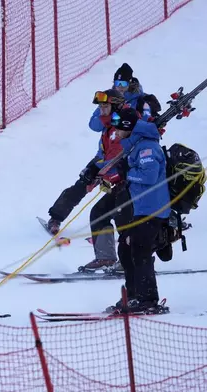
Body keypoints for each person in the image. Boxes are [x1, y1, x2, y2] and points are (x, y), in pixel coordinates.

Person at [106, 108, 170, 314]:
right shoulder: (136, 146)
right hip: (142, 209)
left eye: (118, 127)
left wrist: (128, 173)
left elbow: (149, 177)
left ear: (127, 127)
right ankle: (133, 296)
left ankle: (148, 299)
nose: (115, 131)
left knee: (140, 250)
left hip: (153, 210)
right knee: (125, 249)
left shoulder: (147, 148)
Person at [46, 88, 126, 235]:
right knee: (81, 185)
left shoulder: (123, 123)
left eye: (105, 107)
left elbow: (115, 154)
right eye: (100, 107)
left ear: (115, 106)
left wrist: (98, 173)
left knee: (123, 198)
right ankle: (56, 218)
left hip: (120, 166)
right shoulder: (109, 119)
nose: (101, 110)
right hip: (103, 160)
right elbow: (94, 125)